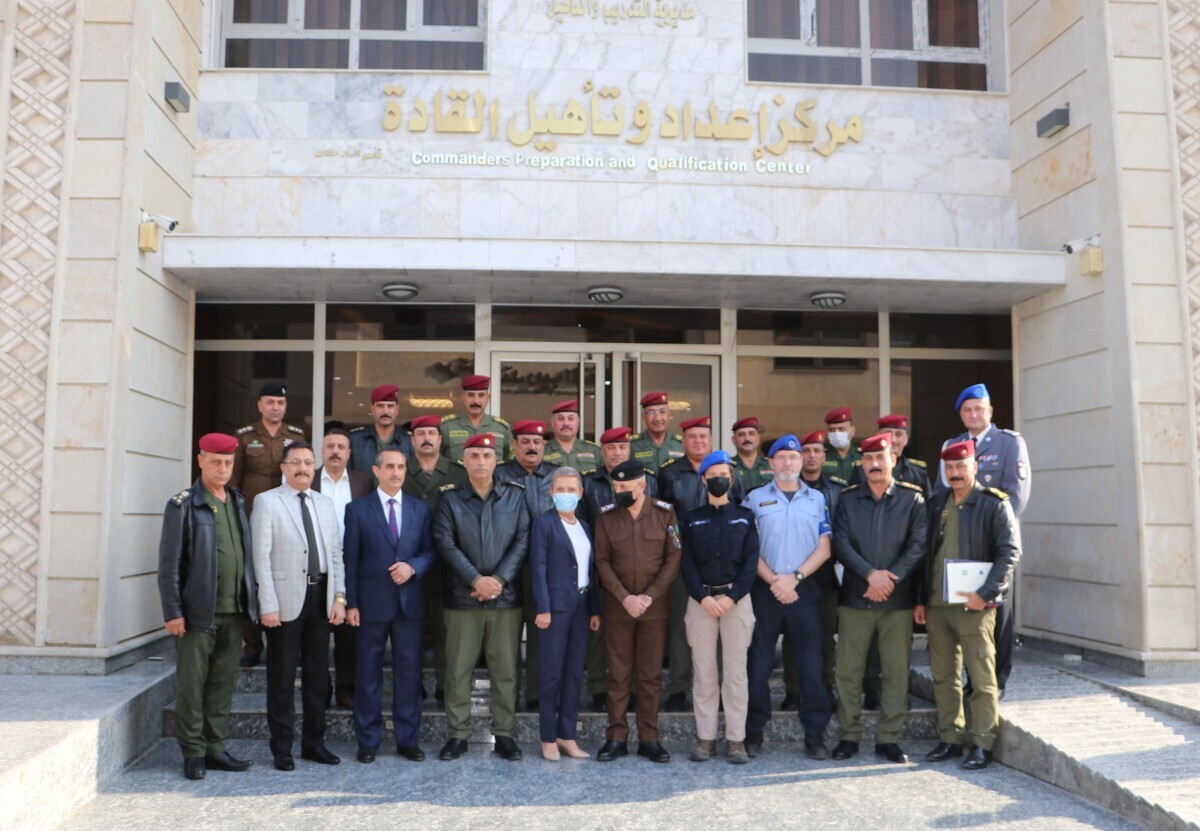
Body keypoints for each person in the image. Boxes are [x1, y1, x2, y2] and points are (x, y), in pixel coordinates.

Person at [158, 433, 259, 781]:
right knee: (192, 683)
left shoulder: (237, 500)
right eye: (215, 461)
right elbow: (169, 564)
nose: (223, 468)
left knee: (222, 683)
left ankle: (216, 747)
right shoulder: (183, 504)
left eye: (228, 462)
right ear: (200, 461)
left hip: (234, 612)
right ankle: (193, 751)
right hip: (197, 613)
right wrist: (173, 610)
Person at [915, 440, 1020, 770]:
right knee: (943, 676)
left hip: (975, 607)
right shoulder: (934, 505)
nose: (955, 473)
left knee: (981, 676)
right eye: (949, 468)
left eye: (961, 466)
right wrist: (920, 600)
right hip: (937, 605)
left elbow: (1009, 553)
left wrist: (986, 593)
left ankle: (983, 743)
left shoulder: (993, 504)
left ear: (975, 467)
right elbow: (923, 555)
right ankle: (951, 737)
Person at [432, 433, 531, 762]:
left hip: (506, 598)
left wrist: (498, 580)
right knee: (457, 670)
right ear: (464, 460)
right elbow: (445, 544)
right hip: (463, 598)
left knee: (506, 671)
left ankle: (504, 734)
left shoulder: (515, 497)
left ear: (496, 460)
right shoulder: (450, 499)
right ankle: (457, 735)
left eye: (487, 456)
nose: (480, 462)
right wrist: (476, 579)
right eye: (474, 456)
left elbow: (522, 541)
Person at [831, 433, 928, 765]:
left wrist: (889, 578)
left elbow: (918, 546)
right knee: (848, 671)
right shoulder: (847, 499)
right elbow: (841, 544)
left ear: (893, 460)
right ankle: (849, 735)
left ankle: (889, 737)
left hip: (895, 601)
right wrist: (870, 575)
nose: (874, 464)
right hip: (856, 598)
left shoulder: (912, 500)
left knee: (896, 671)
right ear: (862, 462)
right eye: (868, 459)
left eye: (880, 457)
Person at [251, 441, 347, 771]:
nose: (303, 468)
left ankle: (314, 744)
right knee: (281, 678)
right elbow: (260, 558)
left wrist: (339, 597)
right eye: (296, 462)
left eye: (308, 463)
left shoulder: (323, 503)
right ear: (283, 467)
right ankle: (282, 748)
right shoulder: (267, 502)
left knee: (318, 678)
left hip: (321, 600)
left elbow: (335, 554)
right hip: (284, 604)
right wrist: (268, 605)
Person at [743, 435, 834, 761]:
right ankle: (753, 732)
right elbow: (748, 548)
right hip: (764, 591)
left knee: (811, 666)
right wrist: (775, 581)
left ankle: (815, 734)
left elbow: (824, 548)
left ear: (801, 462)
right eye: (780, 458)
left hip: (803, 591)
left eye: (793, 458)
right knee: (759, 667)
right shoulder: (754, 499)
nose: (787, 464)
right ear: (770, 463)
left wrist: (793, 579)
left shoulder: (817, 498)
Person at [344, 447, 435, 764]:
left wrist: (413, 568)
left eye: (401, 467)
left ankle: (408, 739)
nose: (396, 472)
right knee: (367, 674)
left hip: (410, 604)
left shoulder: (420, 510)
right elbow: (350, 560)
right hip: (370, 605)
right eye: (390, 467)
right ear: (376, 470)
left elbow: (429, 551)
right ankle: (368, 740)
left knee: (409, 675)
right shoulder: (357, 510)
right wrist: (351, 602)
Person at [939, 383, 1031, 696]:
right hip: (963, 544)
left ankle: (998, 678)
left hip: (996, 543)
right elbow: (947, 497)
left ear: (990, 411)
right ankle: (971, 678)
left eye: (979, 408)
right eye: (968, 409)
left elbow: (1015, 496)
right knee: (966, 610)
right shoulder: (952, 445)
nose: (974, 414)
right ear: (961, 414)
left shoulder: (1009, 443)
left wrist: (994, 535)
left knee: (999, 612)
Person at [594, 460, 681, 764]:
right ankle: (616, 737)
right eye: (615, 486)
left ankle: (649, 738)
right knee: (618, 676)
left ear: (641, 485)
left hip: (654, 610)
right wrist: (624, 597)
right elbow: (601, 561)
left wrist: (648, 596)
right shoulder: (606, 517)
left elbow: (674, 558)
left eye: (623, 486)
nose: (617, 491)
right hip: (619, 609)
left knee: (649, 676)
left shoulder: (664, 513)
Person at [658, 416, 746, 712]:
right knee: (684, 628)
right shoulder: (670, 474)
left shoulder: (726, 472)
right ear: (683, 441)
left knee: (723, 628)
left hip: (722, 562)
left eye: (703, 437)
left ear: (711, 440)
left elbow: (740, 511)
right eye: (692, 437)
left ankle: (719, 687)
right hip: (684, 560)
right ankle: (679, 688)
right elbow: (663, 517)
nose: (698, 441)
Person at [679, 450, 759, 764]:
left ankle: (736, 741)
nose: (718, 479)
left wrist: (731, 596)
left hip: (736, 601)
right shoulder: (691, 518)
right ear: (703, 479)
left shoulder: (745, 516)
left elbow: (751, 562)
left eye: (723, 473)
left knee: (736, 674)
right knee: (704, 674)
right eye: (712, 475)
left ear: (732, 477)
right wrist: (704, 597)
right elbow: (685, 563)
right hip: (701, 602)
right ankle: (705, 739)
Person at [579, 426, 659, 710]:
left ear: (629, 450)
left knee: (638, 632)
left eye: (622, 448)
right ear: (602, 452)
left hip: (638, 572)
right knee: (601, 631)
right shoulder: (589, 483)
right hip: (599, 569)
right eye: (611, 448)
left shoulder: (647, 481)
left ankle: (636, 689)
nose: (616, 453)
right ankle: (600, 689)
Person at [232, 381, 306, 668]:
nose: (276, 408)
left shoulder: (297, 435)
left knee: (287, 576)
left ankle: (286, 639)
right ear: (260, 405)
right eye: (270, 402)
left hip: (289, 518)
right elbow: (234, 481)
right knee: (253, 579)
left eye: (281, 403)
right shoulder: (244, 437)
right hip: (254, 518)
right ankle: (252, 644)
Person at [530, 466, 601, 761]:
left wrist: (594, 609)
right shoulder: (544, 524)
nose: (566, 495)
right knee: (551, 675)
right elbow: (538, 567)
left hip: (581, 608)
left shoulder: (585, 527)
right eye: (560, 489)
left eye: (572, 490)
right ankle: (547, 737)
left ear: (581, 493)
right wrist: (543, 607)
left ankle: (567, 735)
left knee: (574, 674)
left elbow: (590, 570)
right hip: (555, 610)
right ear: (551, 493)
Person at [402, 413, 467, 703]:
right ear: (412, 439)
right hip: (408, 563)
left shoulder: (457, 473)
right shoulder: (400, 469)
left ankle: (444, 685)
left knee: (445, 631)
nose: (426, 438)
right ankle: (411, 684)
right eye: (420, 433)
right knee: (410, 630)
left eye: (431, 433)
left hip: (447, 565)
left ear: (440, 439)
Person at [494, 419, 559, 712]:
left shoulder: (557, 476)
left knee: (539, 634)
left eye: (536, 442)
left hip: (544, 568)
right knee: (506, 638)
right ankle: (507, 698)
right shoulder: (499, 473)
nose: (531, 446)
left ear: (544, 445)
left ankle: (534, 695)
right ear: (515, 445)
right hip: (507, 566)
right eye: (525, 441)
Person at [312, 427, 371, 710]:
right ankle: (320, 689)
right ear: (321, 451)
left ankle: (346, 688)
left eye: (341, 447)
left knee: (349, 634)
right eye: (330, 446)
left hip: (351, 565)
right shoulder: (307, 480)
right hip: (315, 565)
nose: (335, 451)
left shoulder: (363, 482)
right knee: (317, 633)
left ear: (349, 453)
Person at [789, 429, 848, 708]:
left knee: (826, 635)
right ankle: (793, 690)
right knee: (792, 635)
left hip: (826, 574)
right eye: (805, 451)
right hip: (793, 573)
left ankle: (825, 687)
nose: (811, 456)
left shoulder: (838, 488)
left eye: (816, 451)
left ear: (824, 456)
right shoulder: (787, 486)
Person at [349, 385, 414, 485]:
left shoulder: (409, 441)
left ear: (397, 409)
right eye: (380, 406)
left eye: (390, 406)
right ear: (372, 409)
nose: (385, 411)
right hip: (363, 498)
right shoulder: (355, 440)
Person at [439, 374, 514, 462]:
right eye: (471, 395)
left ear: (488, 398)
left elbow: (510, 462)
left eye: (481, 395)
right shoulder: (447, 426)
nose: (476, 401)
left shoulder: (502, 428)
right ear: (463, 397)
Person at [852, 414, 931, 497]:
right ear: (877, 436)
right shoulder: (861, 471)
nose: (893, 440)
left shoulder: (918, 473)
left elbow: (927, 505)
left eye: (898, 434)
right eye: (888, 434)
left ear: (906, 439)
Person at [629, 391, 685, 474]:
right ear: (644, 417)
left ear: (669, 415)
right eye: (651, 412)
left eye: (662, 411)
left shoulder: (681, 444)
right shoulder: (632, 445)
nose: (658, 418)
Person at [543, 399, 601, 473]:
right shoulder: (543, 450)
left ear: (578, 422)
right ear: (553, 423)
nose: (566, 423)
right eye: (561, 419)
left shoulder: (594, 450)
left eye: (571, 419)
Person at [730, 416, 774, 492]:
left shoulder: (771, 465)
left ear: (758, 438)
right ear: (734, 440)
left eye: (751, 434)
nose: (747, 438)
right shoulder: (728, 466)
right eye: (741, 434)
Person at [822, 406, 862, 483]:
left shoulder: (861, 456)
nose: (837, 433)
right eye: (832, 430)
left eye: (841, 429)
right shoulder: (822, 456)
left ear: (852, 431)